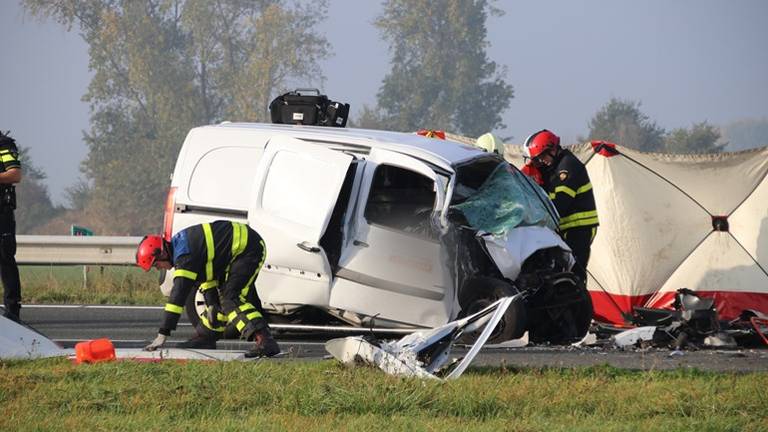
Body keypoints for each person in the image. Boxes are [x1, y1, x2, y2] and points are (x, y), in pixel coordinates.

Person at [136, 220, 280, 357]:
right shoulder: (180, 246)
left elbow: (177, 297)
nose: (158, 268)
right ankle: (207, 337)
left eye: (156, 265)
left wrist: (163, 334)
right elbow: (206, 278)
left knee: (231, 299)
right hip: (235, 253)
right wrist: (211, 303)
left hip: (248, 250)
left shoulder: (185, 257)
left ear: (162, 253)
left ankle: (265, 341)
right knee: (218, 302)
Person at [523, 129, 598, 282]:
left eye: (542, 156)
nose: (541, 161)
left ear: (553, 149)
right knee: (559, 272)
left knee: (574, 271)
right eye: (537, 159)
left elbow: (559, 205)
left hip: (579, 228)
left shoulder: (568, 167)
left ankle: (581, 304)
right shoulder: (552, 169)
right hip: (565, 229)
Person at [0, 131, 22, 322]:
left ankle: (12, 310)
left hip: (1, 213)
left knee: (5, 258)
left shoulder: (4, 145)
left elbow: (15, 174)